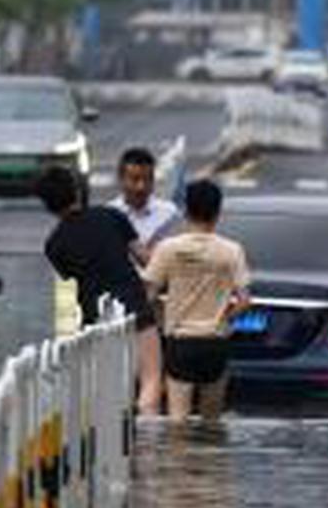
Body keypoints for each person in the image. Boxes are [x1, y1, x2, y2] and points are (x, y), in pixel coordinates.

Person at [143, 180, 251, 422]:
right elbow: (245, 301)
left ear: (186, 210)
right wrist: (224, 317)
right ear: (218, 211)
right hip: (215, 343)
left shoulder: (168, 249)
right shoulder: (232, 250)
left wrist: (163, 316)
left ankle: (181, 460)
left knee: (177, 422)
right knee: (212, 423)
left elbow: (147, 296)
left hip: (180, 343)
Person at [37, 166, 155, 340]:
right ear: (77, 192)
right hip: (136, 312)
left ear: (47, 205)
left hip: (96, 323)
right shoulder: (111, 216)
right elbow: (146, 260)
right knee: (149, 366)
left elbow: (70, 290)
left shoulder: (54, 245)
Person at [109, 147, 181, 413]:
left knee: (157, 374)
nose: (140, 187)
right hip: (120, 305)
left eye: (147, 180)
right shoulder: (109, 214)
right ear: (121, 179)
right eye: (133, 179)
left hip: (159, 305)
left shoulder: (170, 214)